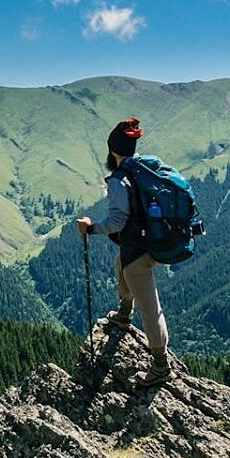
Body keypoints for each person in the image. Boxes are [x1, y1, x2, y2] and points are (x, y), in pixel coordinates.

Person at [76, 117, 172, 387]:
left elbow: (118, 221)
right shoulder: (143, 168)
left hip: (139, 251)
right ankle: (124, 312)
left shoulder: (120, 179)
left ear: (112, 150)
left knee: (150, 307)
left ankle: (161, 365)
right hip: (152, 241)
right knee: (121, 264)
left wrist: (90, 228)